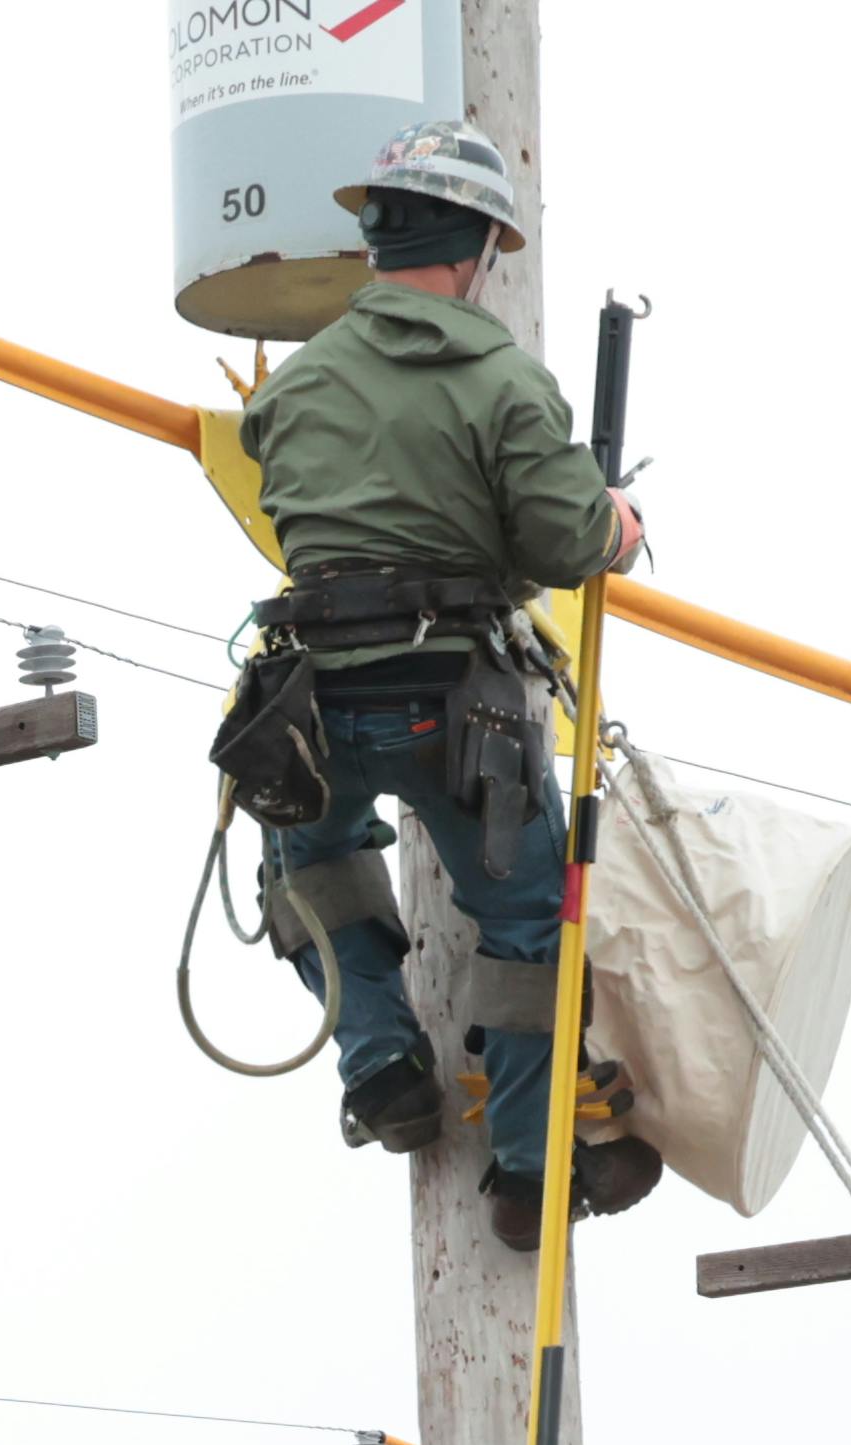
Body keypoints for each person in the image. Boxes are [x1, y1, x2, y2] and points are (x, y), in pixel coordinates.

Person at [233, 121, 649, 1251]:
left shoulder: (299, 385)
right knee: (524, 927)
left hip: (312, 702)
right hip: (457, 703)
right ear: (475, 248)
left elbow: (295, 507)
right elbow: (564, 539)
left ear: (374, 236)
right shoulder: (507, 384)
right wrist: (617, 523)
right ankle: (523, 1166)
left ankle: (381, 1065)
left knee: (315, 860)